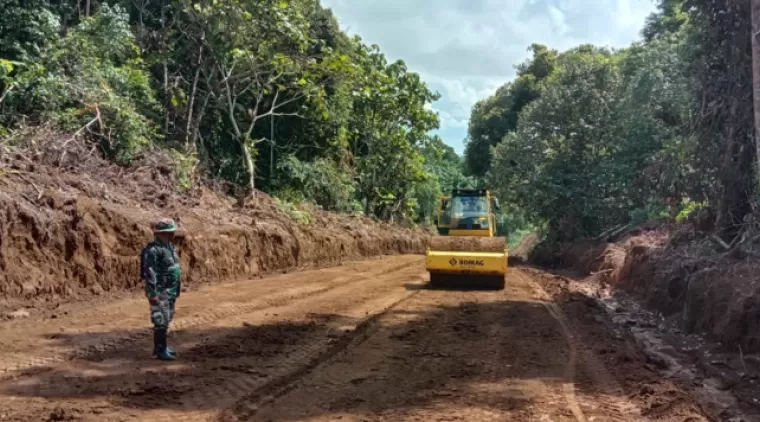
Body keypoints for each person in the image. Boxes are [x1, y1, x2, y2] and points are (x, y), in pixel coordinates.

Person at [140, 218, 182, 361]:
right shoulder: (153, 250)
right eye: (170, 232)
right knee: (160, 320)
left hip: (170, 290)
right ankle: (159, 349)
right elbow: (150, 273)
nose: (173, 234)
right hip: (160, 291)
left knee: (167, 317)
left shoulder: (170, 247)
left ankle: (162, 346)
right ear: (162, 233)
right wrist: (153, 294)